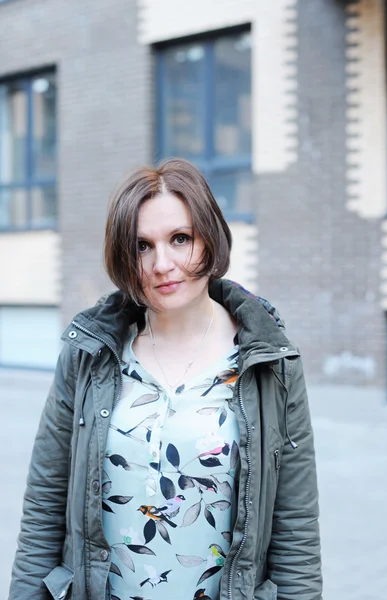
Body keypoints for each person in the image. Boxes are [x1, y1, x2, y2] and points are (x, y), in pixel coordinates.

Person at [9, 158, 322, 600]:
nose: (162, 263)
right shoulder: (89, 355)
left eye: (180, 239)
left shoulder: (270, 362)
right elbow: (43, 509)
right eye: (142, 246)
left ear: (209, 240)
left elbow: (296, 531)